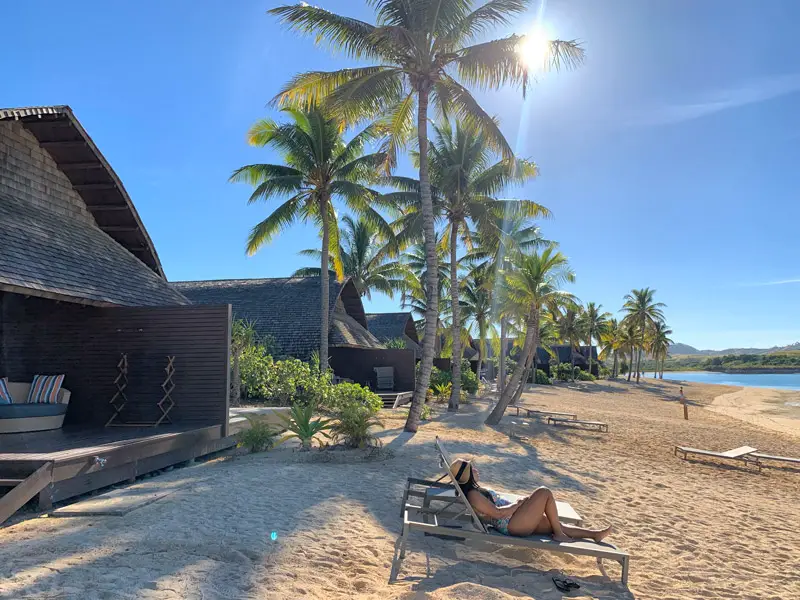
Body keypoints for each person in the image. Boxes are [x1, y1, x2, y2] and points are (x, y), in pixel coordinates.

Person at [450, 458, 612, 542]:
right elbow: (498, 514)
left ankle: (594, 534)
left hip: (515, 518)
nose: (476, 469)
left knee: (554, 523)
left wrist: (520, 505)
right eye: (473, 468)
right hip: (511, 524)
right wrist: (519, 504)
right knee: (544, 492)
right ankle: (559, 534)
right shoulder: (473, 495)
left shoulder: (474, 492)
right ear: (468, 475)